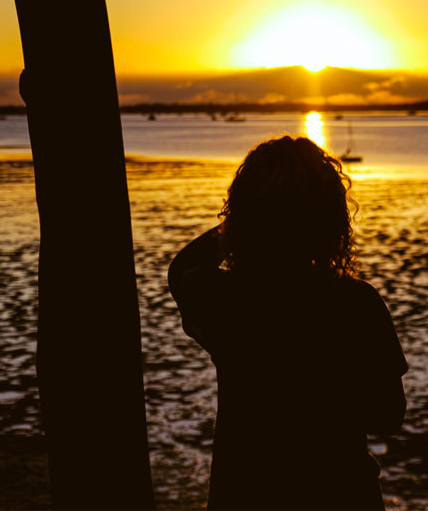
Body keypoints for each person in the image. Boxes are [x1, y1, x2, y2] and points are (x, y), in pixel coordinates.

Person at [168, 135, 408, 510]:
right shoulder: (356, 303)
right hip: (342, 494)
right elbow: (387, 415)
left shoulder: (223, 298)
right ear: (331, 218)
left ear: (243, 214)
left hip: (246, 493)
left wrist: (244, 224)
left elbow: (181, 269)